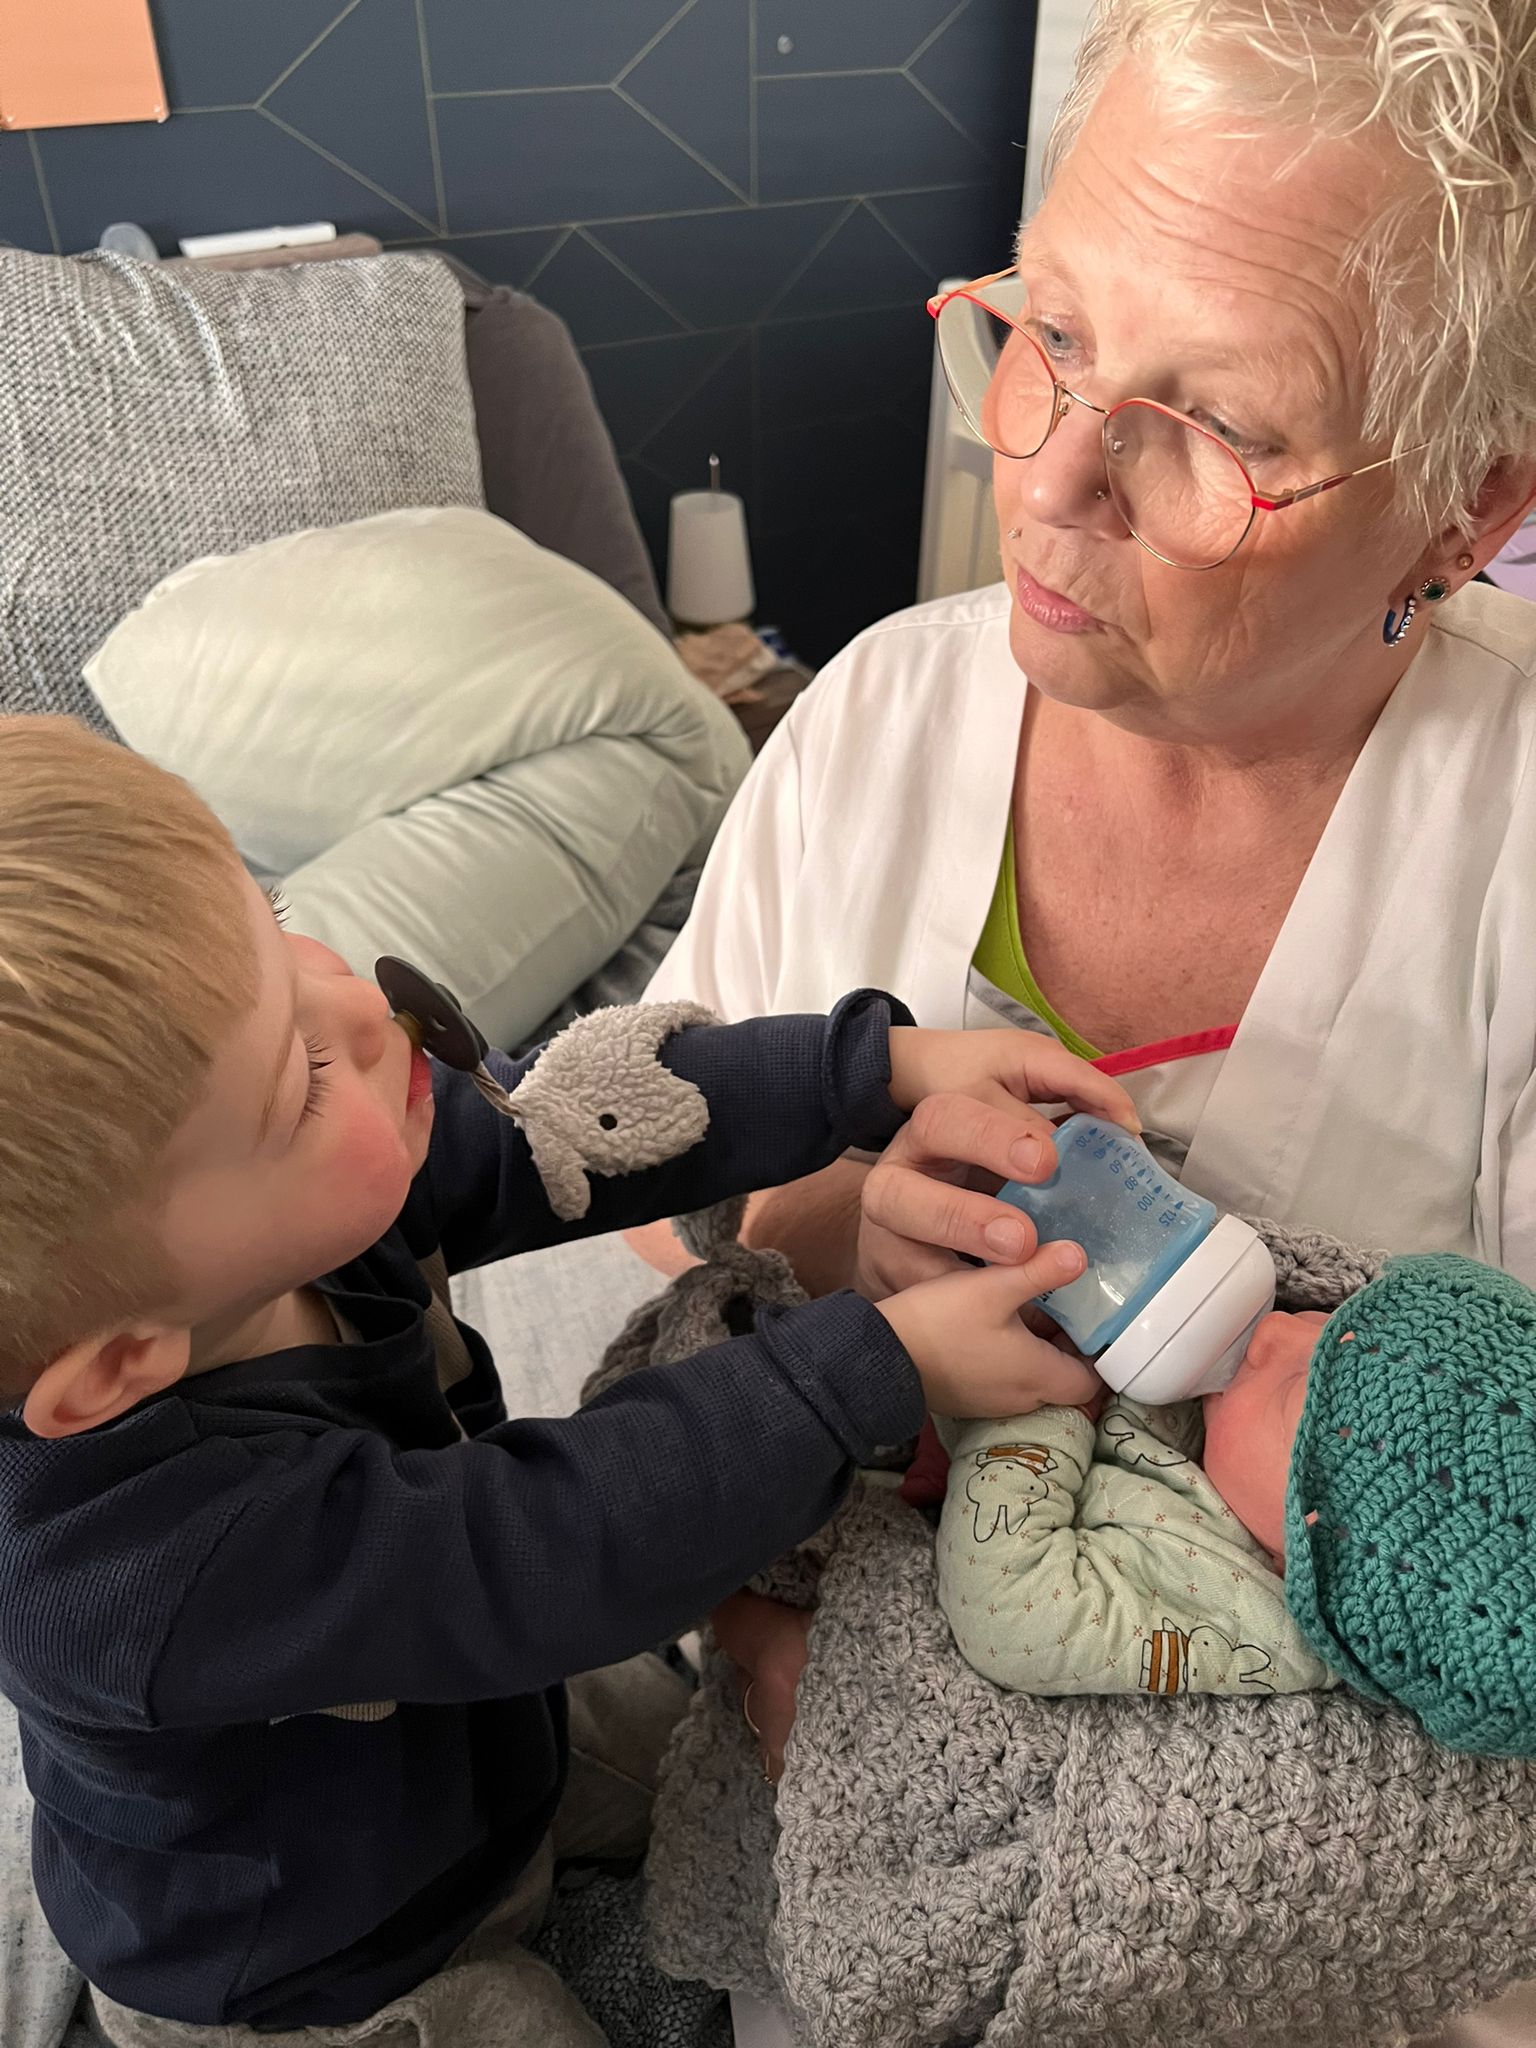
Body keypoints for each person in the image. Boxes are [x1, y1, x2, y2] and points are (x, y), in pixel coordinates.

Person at [628, 3, 1536, 2036]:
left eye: (1216, 427)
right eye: (1044, 328)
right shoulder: (873, 722)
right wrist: (832, 1241)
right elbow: (672, 1203)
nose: (1039, 480)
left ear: (1467, 509)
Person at [0, 716, 1140, 2044]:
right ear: (120, 1362)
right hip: (324, 1961)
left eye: (284, 935)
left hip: (477, 1732)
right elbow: (535, 1545)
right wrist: (875, 1362)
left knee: (737, 1746)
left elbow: (575, 1125)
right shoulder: (124, 1576)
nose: (365, 1012)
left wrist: (870, 1069)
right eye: (299, 1078)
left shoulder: (277, 1214)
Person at [936, 1255, 1536, 1762]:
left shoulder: (1235, 1611)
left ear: (1306, 1564)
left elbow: (1009, 1614)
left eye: (1294, 1390)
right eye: (1332, 1320)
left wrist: (1051, 1406)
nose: (1274, 1330)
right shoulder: (1248, 1447)